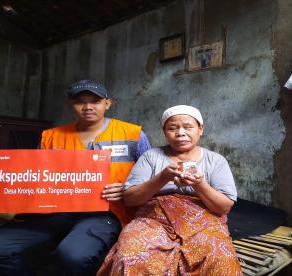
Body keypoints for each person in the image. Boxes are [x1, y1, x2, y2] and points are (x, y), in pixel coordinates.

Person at [0, 80, 151, 276]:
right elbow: (31, 178)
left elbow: (151, 178)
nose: (88, 107)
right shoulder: (51, 136)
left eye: (95, 101)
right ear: (69, 105)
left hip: (106, 213)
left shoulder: (133, 134)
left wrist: (126, 189)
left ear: (107, 103)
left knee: (72, 256)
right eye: (80, 101)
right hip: (54, 212)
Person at [97, 105, 242, 275]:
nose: (180, 133)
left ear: (200, 129)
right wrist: (162, 177)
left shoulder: (216, 161)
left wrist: (200, 185)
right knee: (131, 254)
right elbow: (130, 199)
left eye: (188, 127)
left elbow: (223, 207)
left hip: (203, 220)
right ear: (165, 132)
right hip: (153, 218)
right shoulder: (151, 156)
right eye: (172, 128)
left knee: (218, 256)